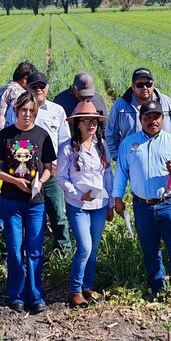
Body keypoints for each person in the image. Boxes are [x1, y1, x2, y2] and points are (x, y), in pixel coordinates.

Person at [112, 99, 171, 314]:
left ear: (162, 119)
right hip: (142, 205)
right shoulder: (129, 144)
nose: (152, 121)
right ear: (141, 120)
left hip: (168, 203)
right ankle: (157, 288)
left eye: (156, 117)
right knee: (150, 250)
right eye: (147, 117)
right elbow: (122, 172)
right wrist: (117, 197)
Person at [0, 91, 57, 314]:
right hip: (11, 201)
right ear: (16, 111)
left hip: (35, 202)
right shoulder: (5, 135)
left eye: (31, 110)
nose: (27, 114)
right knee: (15, 249)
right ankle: (16, 295)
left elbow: (50, 167)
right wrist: (15, 182)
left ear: (35, 113)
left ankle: (36, 294)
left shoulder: (42, 135)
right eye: (23, 110)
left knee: (35, 249)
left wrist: (41, 182)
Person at [56, 101, 113, 308]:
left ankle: (88, 286)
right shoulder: (67, 148)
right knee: (85, 247)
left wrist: (110, 203)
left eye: (94, 121)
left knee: (94, 248)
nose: (91, 125)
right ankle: (75, 289)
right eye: (86, 121)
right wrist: (79, 195)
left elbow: (108, 174)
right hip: (78, 205)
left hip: (99, 204)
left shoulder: (102, 145)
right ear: (78, 124)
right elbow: (61, 178)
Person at [11, 71, 72, 251]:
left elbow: (64, 143)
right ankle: (23, 250)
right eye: (33, 86)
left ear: (47, 88)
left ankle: (63, 251)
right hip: (23, 173)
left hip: (51, 172)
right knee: (24, 213)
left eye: (41, 86)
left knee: (57, 213)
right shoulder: (15, 110)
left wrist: (59, 168)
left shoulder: (57, 110)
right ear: (26, 88)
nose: (38, 89)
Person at [107, 68, 171, 159]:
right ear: (133, 87)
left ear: (153, 85)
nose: (145, 88)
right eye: (140, 85)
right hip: (133, 161)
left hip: (164, 161)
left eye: (148, 84)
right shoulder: (120, 106)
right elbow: (111, 134)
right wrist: (118, 158)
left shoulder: (167, 104)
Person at [0, 61, 37, 139]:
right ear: (25, 79)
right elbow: (17, 120)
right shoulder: (18, 92)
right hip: (9, 140)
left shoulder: (3, 89)